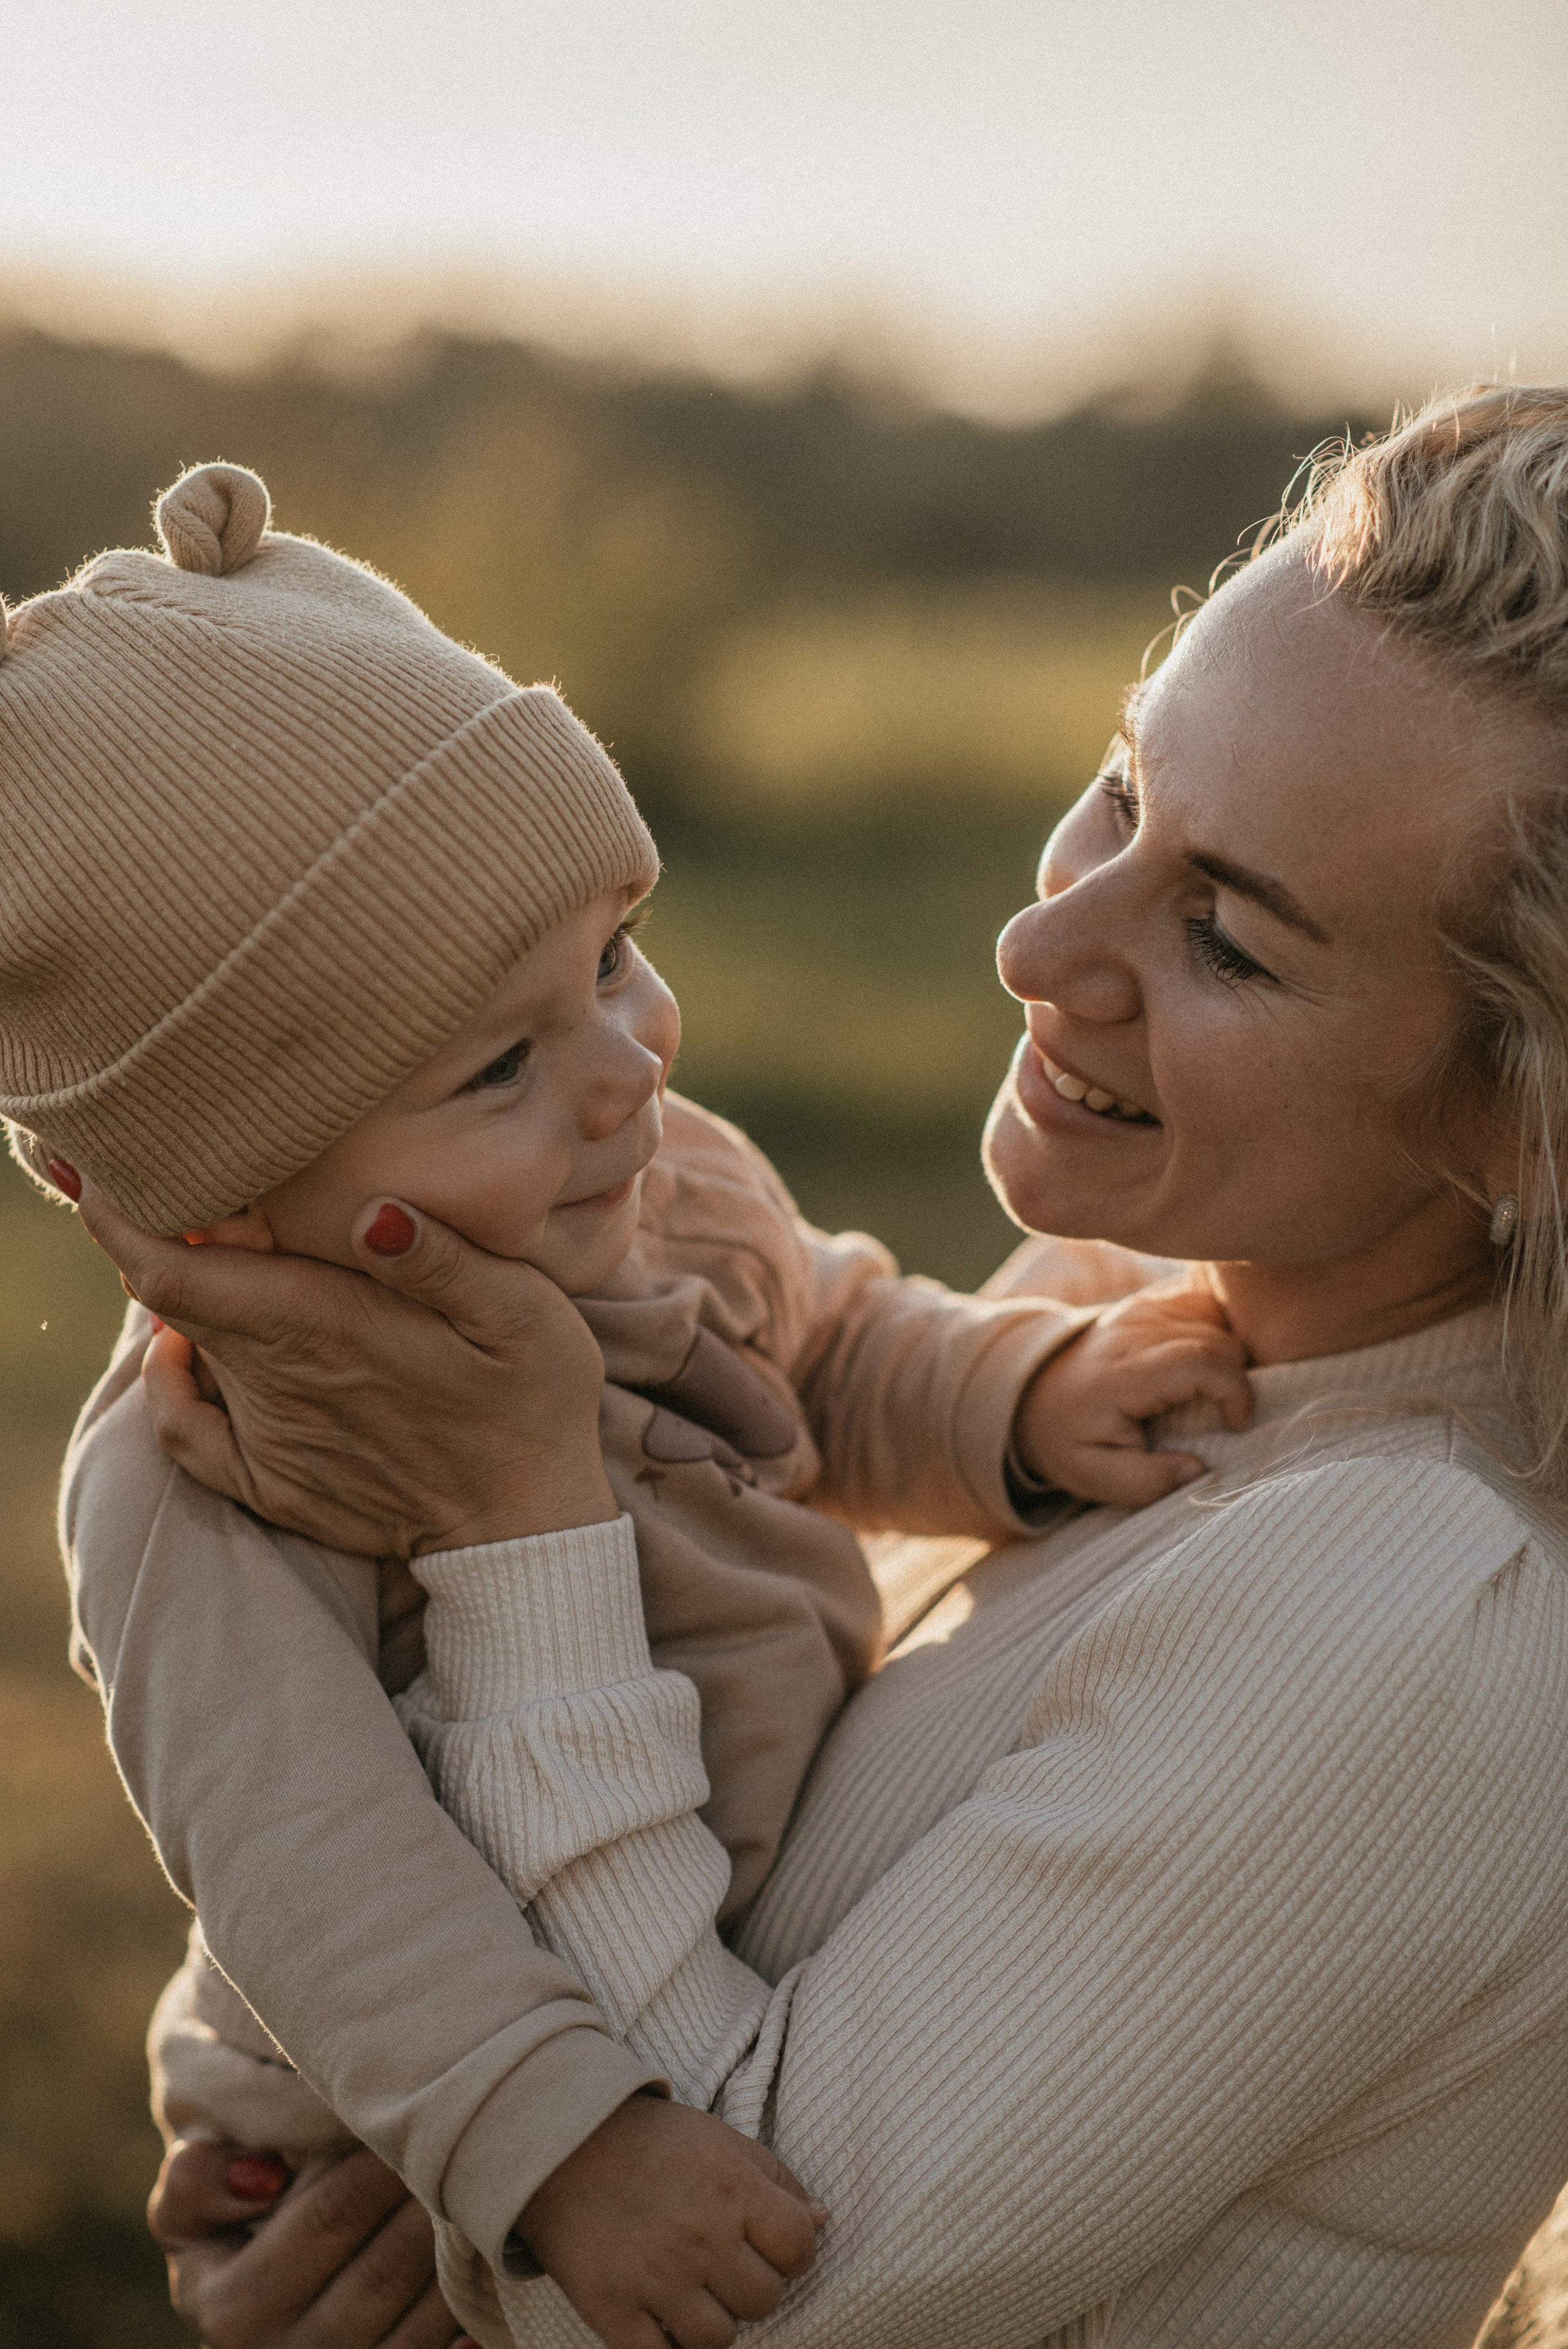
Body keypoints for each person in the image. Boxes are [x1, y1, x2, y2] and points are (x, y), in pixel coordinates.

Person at [88, 383, 1568, 2349]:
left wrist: (509, 1511)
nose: (1044, 940)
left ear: (1518, 1123)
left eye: (1226, 935)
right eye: (1126, 791)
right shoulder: (1126, 1302)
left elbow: (712, 2316)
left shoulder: (1416, 1625)